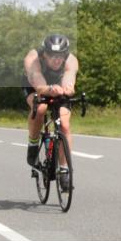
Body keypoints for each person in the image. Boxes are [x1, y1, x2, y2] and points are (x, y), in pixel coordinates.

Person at [22, 35, 79, 185]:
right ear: (44, 53)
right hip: (36, 84)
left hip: (57, 85)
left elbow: (69, 77)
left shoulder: (71, 60)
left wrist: (68, 88)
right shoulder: (33, 59)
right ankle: (33, 143)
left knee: (65, 124)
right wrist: (50, 89)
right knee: (40, 108)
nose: (56, 60)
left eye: (60, 56)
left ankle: (64, 169)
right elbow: (39, 84)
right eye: (52, 56)